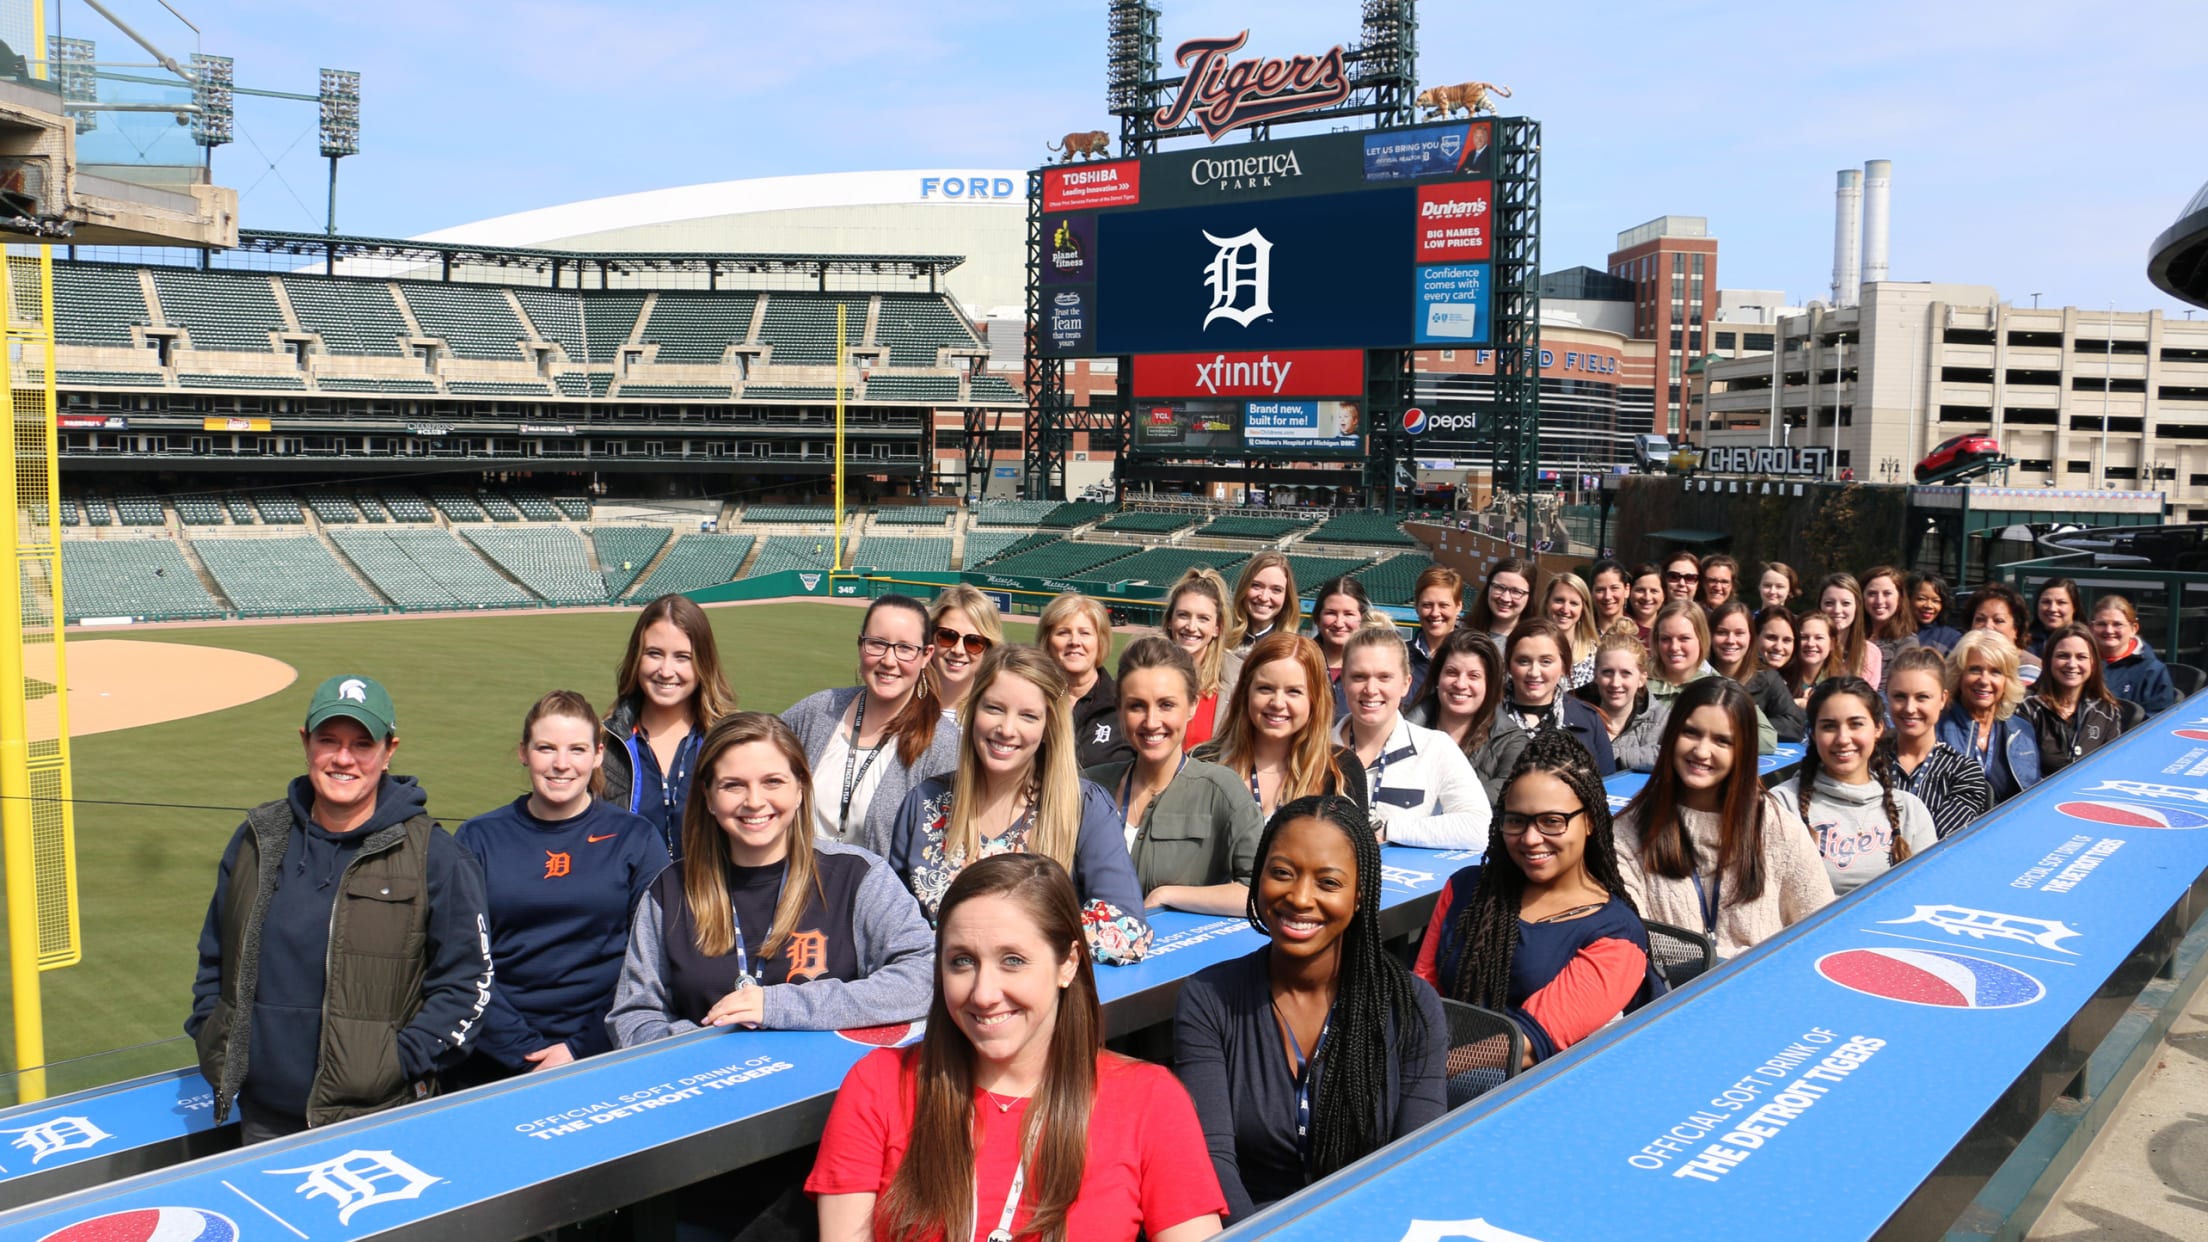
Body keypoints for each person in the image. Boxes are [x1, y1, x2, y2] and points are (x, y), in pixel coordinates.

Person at [810, 855, 1225, 1242]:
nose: (984, 993)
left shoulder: (1149, 1101)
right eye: (962, 961)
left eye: (1012, 960)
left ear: (1068, 963)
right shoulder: (879, 1085)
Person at [188, 675, 492, 1140]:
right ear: (306, 743)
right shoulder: (258, 839)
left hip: (377, 1118)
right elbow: (215, 955)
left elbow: (468, 982)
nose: (343, 758)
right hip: (262, 1117)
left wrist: (398, 1061)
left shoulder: (434, 854)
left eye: (361, 744)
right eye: (328, 740)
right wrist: (213, 1035)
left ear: (389, 751)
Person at [1176, 796, 1445, 1221]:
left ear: (1360, 895)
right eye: (1282, 873)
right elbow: (1213, 1162)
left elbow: (1415, 1166)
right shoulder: (1209, 998)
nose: (1300, 898)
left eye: (1328, 882)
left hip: (1370, 1224)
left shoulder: (1410, 1004)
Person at [609, 713, 933, 1045]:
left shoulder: (857, 877)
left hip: (829, 1090)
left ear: (800, 789)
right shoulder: (670, 890)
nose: (754, 801)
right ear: (708, 797)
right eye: (733, 785)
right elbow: (633, 1017)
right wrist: (709, 1044)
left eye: (773, 782)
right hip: (710, 1086)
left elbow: (925, 976)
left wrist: (777, 1005)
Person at [452, 691, 667, 1084]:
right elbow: (460, 957)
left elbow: (654, 957)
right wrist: (522, 1052)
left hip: (604, 1050)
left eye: (577, 749)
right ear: (523, 752)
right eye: (546, 748)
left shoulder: (634, 838)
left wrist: (581, 1048)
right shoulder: (478, 837)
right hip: (493, 1056)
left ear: (599, 755)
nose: (561, 764)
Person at [889, 645, 1152, 964]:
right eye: (995, 709)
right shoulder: (924, 803)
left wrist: (1007, 947)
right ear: (973, 712)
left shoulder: (1083, 808)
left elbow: (1126, 930)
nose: (1007, 729)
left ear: (1047, 728)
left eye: (1028, 715)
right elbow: (892, 928)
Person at [1416, 732, 1662, 1063]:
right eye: (1516, 821)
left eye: (1552, 821)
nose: (1531, 839)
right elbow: (1422, 992)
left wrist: (1421, 1074)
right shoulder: (1465, 888)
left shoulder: (1617, 935)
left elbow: (1526, 1046)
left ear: (1589, 821)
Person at [1614, 678, 1834, 960]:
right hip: (1671, 997)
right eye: (1691, 733)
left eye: (1722, 741)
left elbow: (1820, 934)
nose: (1702, 752)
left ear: (1742, 750)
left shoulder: (1779, 828)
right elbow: (1634, 947)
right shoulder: (1625, 834)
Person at [1085, 638, 1264, 916]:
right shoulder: (1089, 788)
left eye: (1166, 705)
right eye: (1136, 706)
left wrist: (1169, 895)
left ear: (1192, 705)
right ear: (1119, 709)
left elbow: (1263, 893)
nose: (1152, 721)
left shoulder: (1221, 791)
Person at [783, 594, 961, 858]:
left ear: (926, 655)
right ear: (860, 645)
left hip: (876, 896)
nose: (889, 660)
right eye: (877, 644)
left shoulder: (942, 743)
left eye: (905, 648)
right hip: (793, 887)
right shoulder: (819, 710)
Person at [601, 594, 739, 861]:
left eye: (682, 657)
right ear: (636, 658)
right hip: (631, 901)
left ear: (703, 664)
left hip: (710, 899)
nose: (666, 670)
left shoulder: (729, 743)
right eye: (654, 653)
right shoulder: (606, 745)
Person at [1332, 627, 1492, 848]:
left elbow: (1479, 826)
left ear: (1406, 683)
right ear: (1344, 682)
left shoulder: (1435, 747)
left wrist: (1388, 830)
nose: (1371, 689)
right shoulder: (1316, 747)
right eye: (1359, 677)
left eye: (1384, 677)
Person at [1777, 678, 1938, 895]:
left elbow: (1927, 892)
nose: (1843, 738)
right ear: (1813, 734)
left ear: (1878, 728)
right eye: (1829, 726)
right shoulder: (1781, 805)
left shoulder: (1910, 809)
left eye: (1856, 724)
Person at [1199, 633, 1369, 821]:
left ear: (1315, 700)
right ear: (1245, 692)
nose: (1278, 703)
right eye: (1265, 688)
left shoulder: (1342, 770)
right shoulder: (1203, 762)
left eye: (1294, 692)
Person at [1474, 619, 1617, 799]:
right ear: (1509, 664)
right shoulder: (1482, 716)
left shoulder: (1589, 720)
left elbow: (1608, 790)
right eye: (1523, 661)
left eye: (1546, 661)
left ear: (1564, 665)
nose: (1534, 672)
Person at [1885, 646, 1992, 840]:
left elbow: (1936, 843)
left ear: (1943, 699)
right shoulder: (1867, 761)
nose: (1910, 708)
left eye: (1922, 697)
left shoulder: (1963, 772)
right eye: (1900, 696)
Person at [1647, 600, 1777, 754]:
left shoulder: (1720, 686)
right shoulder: (1636, 681)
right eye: (1666, 639)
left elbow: (1767, 740)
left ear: (1701, 639)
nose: (1674, 647)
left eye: (1684, 638)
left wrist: (1711, 737)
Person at [1936, 629, 2041, 806]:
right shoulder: (1936, 728)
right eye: (1975, 670)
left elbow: (2033, 798)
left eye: (1996, 672)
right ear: (1959, 675)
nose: (1984, 680)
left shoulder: (2022, 731)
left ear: (2007, 680)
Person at [1041, 592, 1133, 769]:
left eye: (1085, 633)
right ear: (1047, 641)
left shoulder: (1124, 704)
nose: (1074, 641)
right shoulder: (1031, 699)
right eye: (1063, 632)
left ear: (1100, 641)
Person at [2021, 623, 2124, 776]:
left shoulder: (2107, 711)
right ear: (2048, 661)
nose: (2072, 664)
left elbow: (2112, 769)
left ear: (2093, 663)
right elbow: (2021, 771)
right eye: (2063, 656)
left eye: (2081, 657)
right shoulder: (2026, 708)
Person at [1165, 567, 1247, 752]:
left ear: (1217, 627)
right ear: (1170, 621)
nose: (1191, 627)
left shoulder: (1238, 676)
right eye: (1183, 615)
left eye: (1203, 619)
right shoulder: (1147, 667)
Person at [1712, 600, 1805, 742]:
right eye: (1722, 632)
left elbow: (1793, 725)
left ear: (1750, 637)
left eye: (1739, 633)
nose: (1731, 640)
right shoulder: (1697, 672)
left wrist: (1738, 725)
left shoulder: (1768, 677)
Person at [1406, 628, 1504, 760]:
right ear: (1437, 677)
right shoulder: (1401, 735)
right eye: (1452, 672)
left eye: (1474, 676)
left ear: (1489, 684)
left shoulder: (1509, 745)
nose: (1460, 684)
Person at [1578, 631, 1670, 772]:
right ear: (1595, 675)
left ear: (1642, 679)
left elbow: (1672, 756)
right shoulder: (1573, 713)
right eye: (1607, 672)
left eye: (1626, 673)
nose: (1615, 683)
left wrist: (1613, 755)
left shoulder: (1662, 718)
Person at [927, 584, 1002, 721]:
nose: (958, 650)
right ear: (931, 636)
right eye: (947, 636)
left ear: (989, 649)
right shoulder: (900, 701)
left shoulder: (994, 717)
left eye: (973, 642)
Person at [2093, 594, 2178, 715]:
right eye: (2102, 624)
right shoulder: (2080, 663)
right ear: (2091, 627)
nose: (2109, 630)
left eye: (2117, 624)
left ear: (2134, 629)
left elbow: (2156, 721)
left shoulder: (2153, 671)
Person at [1309, 576, 1371, 714]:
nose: (1339, 623)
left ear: (1362, 618)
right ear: (1318, 617)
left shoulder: (1373, 666)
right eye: (1331, 613)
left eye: (1349, 614)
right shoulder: (1301, 661)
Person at [1963, 582, 2042, 685]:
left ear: (2016, 628)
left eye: (1998, 620)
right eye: (1980, 619)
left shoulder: (2029, 667)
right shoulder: (1961, 658)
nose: (1988, 626)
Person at [1816, 573, 1883, 689]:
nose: (1837, 610)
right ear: (1820, 606)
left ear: (1857, 607)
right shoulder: (1809, 646)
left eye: (1845, 603)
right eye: (1829, 603)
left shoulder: (1870, 654)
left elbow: (1868, 701)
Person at [1408, 564, 1466, 697]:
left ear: (1458, 606)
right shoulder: (1400, 657)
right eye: (1427, 605)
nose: (1435, 613)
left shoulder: (1475, 657)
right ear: (1416, 607)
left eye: (1443, 605)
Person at [1861, 565, 1919, 689]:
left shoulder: (1907, 643)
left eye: (1887, 593)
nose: (1879, 601)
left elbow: (1894, 687)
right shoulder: (1848, 635)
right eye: (1872, 594)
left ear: (1899, 598)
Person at [1230, 552, 1299, 654]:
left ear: (1287, 597)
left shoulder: (1294, 650)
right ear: (1243, 587)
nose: (1264, 597)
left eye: (1276, 590)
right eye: (1256, 585)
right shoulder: (1220, 640)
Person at [1544, 571, 1600, 689]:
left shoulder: (1596, 655)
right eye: (1559, 600)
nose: (1565, 609)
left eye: (1573, 603)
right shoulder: (1529, 645)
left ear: (1583, 610)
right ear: (1546, 603)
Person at [1466, 558, 1535, 648]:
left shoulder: (1537, 641)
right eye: (1499, 587)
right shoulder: (1459, 631)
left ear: (1529, 597)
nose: (1505, 598)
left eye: (1516, 592)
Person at [1790, 612, 1841, 708]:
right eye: (1804, 637)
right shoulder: (1779, 679)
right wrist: (1795, 704)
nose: (1810, 643)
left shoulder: (1840, 683)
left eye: (1819, 638)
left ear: (1832, 643)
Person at [1908, 572, 1964, 654]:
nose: (1929, 606)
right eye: (1921, 599)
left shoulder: (1951, 638)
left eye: (1936, 601)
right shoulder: (1892, 631)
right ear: (1907, 599)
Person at [2033, 578, 2085, 657]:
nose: (2052, 609)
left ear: (2075, 607)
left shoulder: (2088, 642)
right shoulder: (2023, 641)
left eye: (2061, 602)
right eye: (2046, 602)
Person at [1588, 559, 1632, 636]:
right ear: (1591, 593)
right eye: (1600, 590)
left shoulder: (1641, 637)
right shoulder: (1580, 634)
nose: (1607, 596)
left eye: (1614, 588)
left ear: (1627, 590)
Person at [1626, 564, 1665, 644]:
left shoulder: (1667, 629)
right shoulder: (1619, 626)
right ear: (1629, 591)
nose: (1647, 597)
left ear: (1664, 595)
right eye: (1640, 590)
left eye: (1654, 591)